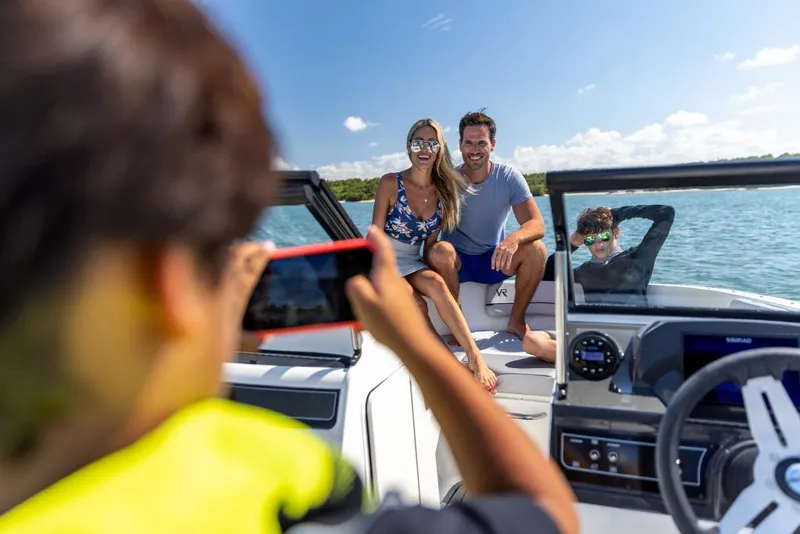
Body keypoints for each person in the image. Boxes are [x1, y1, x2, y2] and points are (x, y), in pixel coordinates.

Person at [0, 1, 580, 534]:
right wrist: (419, 350)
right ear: (168, 290)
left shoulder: (475, 182)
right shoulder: (279, 485)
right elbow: (541, 513)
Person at [372, 119, 497, 393]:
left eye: (432, 143)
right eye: (418, 142)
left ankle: (475, 356)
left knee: (438, 286)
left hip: (411, 260)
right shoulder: (390, 183)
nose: (424, 149)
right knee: (415, 303)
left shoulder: (443, 193)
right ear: (409, 147)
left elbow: (429, 246)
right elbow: (375, 232)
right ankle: (448, 366)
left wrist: (446, 263)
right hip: (382, 259)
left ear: (440, 149)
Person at [426, 109, 548, 340]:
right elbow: (427, 230)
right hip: (456, 265)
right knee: (441, 250)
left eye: (481, 143)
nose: (474, 150)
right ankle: (457, 324)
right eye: (468, 143)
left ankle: (516, 321)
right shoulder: (447, 180)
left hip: (493, 261)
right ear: (460, 145)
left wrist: (513, 239)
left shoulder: (509, 177)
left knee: (537, 248)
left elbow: (537, 224)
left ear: (492, 144)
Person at [543, 204, 675, 305]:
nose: (597, 244)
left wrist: (616, 214)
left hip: (636, 329)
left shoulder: (637, 259)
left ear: (616, 232)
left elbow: (666, 213)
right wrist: (571, 245)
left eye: (604, 236)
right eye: (590, 239)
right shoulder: (581, 273)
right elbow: (547, 276)